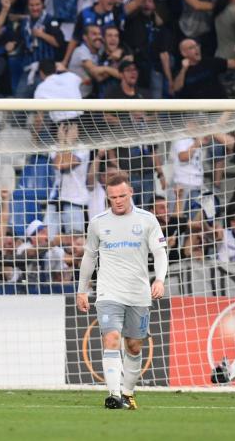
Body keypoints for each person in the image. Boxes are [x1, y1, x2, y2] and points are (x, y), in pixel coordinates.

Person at [77, 171, 167, 410]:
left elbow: (159, 252)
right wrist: (81, 290)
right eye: (113, 197)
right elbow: (89, 257)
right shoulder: (98, 222)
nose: (117, 200)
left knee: (134, 345)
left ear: (131, 193)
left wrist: (159, 279)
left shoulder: (147, 220)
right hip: (108, 293)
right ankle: (114, 395)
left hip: (138, 293)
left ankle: (127, 393)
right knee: (111, 338)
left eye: (122, 196)